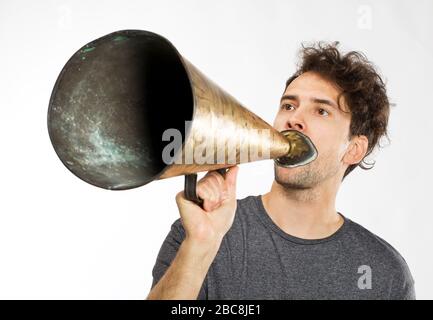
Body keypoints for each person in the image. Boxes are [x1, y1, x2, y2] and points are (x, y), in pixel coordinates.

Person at [147, 42, 415, 300]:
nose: (294, 119)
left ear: (355, 149)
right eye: (289, 105)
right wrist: (201, 245)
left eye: (321, 111)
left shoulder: (384, 273)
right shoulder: (199, 232)